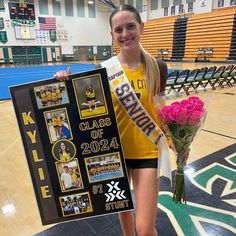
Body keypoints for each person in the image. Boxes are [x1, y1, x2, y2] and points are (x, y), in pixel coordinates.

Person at [54, 4, 177, 236]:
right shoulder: (103, 70)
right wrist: (64, 85)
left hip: (147, 153)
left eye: (130, 26)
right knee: (125, 215)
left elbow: (160, 111)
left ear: (141, 27)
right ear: (112, 34)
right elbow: (85, 110)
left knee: (145, 227)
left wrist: (176, 143)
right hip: (113, 154)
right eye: (118, 29)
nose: (125, 34)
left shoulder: (158, 68)